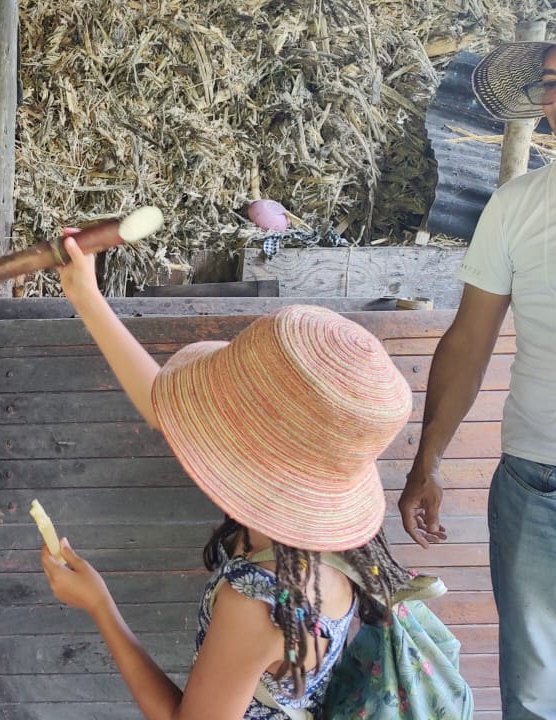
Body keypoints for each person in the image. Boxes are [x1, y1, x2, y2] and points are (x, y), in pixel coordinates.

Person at [41, 235, 416, 719]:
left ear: (251, 458)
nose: (204, 436)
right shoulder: (325, 544)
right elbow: (167, 409)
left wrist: (99, 606)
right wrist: (88, 299)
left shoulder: (259, 605)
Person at [398, 40, 556, 719]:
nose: (555, 99)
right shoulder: (518, 205)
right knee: (530, 691)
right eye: (551, 82)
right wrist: (425, 460)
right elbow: (468, 339)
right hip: (534, 482)